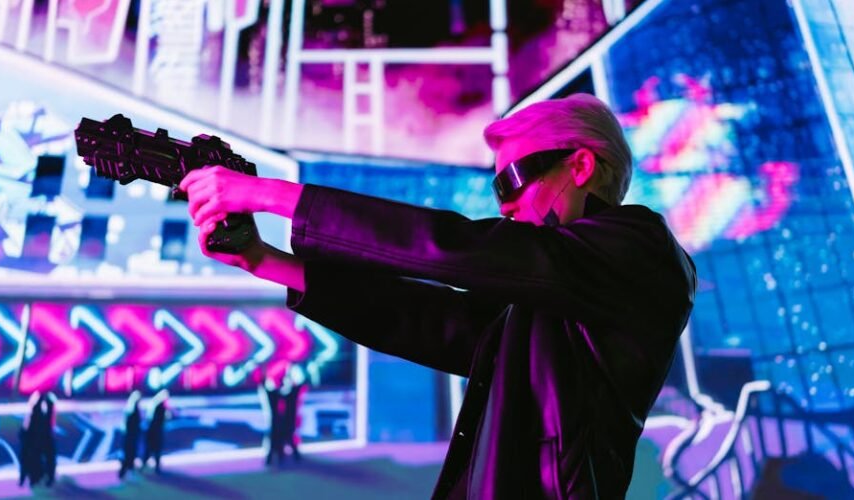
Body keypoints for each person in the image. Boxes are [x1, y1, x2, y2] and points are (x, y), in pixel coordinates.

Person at [178, 93, 696, 498]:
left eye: (514, 180)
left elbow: (461, 249)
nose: (506, 207)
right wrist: (265, 260)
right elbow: (427, 321)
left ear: (580, 167)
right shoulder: (558, 291)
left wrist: (268, 194)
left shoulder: (641, 251)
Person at [142, 389, 170, 474]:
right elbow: (162, 419)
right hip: (156, 431)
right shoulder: (160, 406)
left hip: (152, 430)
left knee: (150, 449)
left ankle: (145, 465)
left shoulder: (154, 404)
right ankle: (155, 467)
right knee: (155, 449)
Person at [119, 390, 142, 479]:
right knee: (129, 455)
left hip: (130, 436)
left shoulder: (131, 408)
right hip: (131, 436)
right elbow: (132, 423)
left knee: (129, 455)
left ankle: (125, 472)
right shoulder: (133, 409)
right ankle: (126, 472)